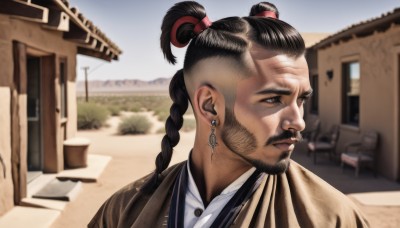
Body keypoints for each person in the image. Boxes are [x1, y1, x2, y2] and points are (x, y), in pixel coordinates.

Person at [89, 1, 369, 227]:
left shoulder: (332, 219)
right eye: (273, 99)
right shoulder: (124, 212)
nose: (298, 121)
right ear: (209, 105)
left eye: (302, 99)